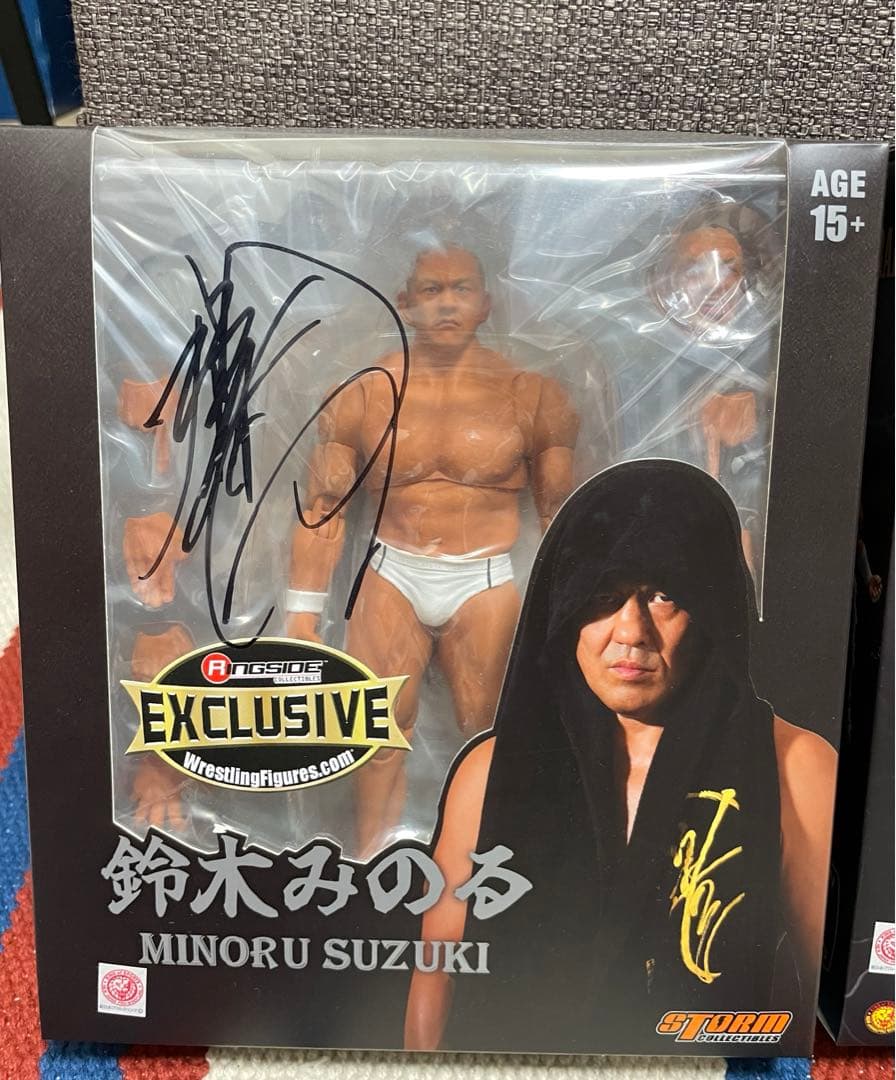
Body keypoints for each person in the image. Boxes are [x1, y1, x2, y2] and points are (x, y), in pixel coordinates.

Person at [405, 459, 836, 1052]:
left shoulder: (794, 767)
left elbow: (834, 1002)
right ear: (565, 608)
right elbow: (437, 973)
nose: (631, 632)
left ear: (710, 608)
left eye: (663, 596)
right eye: (603, 596)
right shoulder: (490, 773)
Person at [286, 244, 580, 856]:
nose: (447, 303)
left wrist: (571, 617)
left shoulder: (531, 394)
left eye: (461, 289)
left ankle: (484, 871)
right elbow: (323, 506)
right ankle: (369, 862)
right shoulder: (366, 392)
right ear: (406, 303)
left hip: (485, 579)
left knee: (488, 735)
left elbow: (562, 517)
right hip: (391, 572)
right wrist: (301, 613)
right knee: (375, 733)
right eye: (431, 290)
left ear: (485, 303)